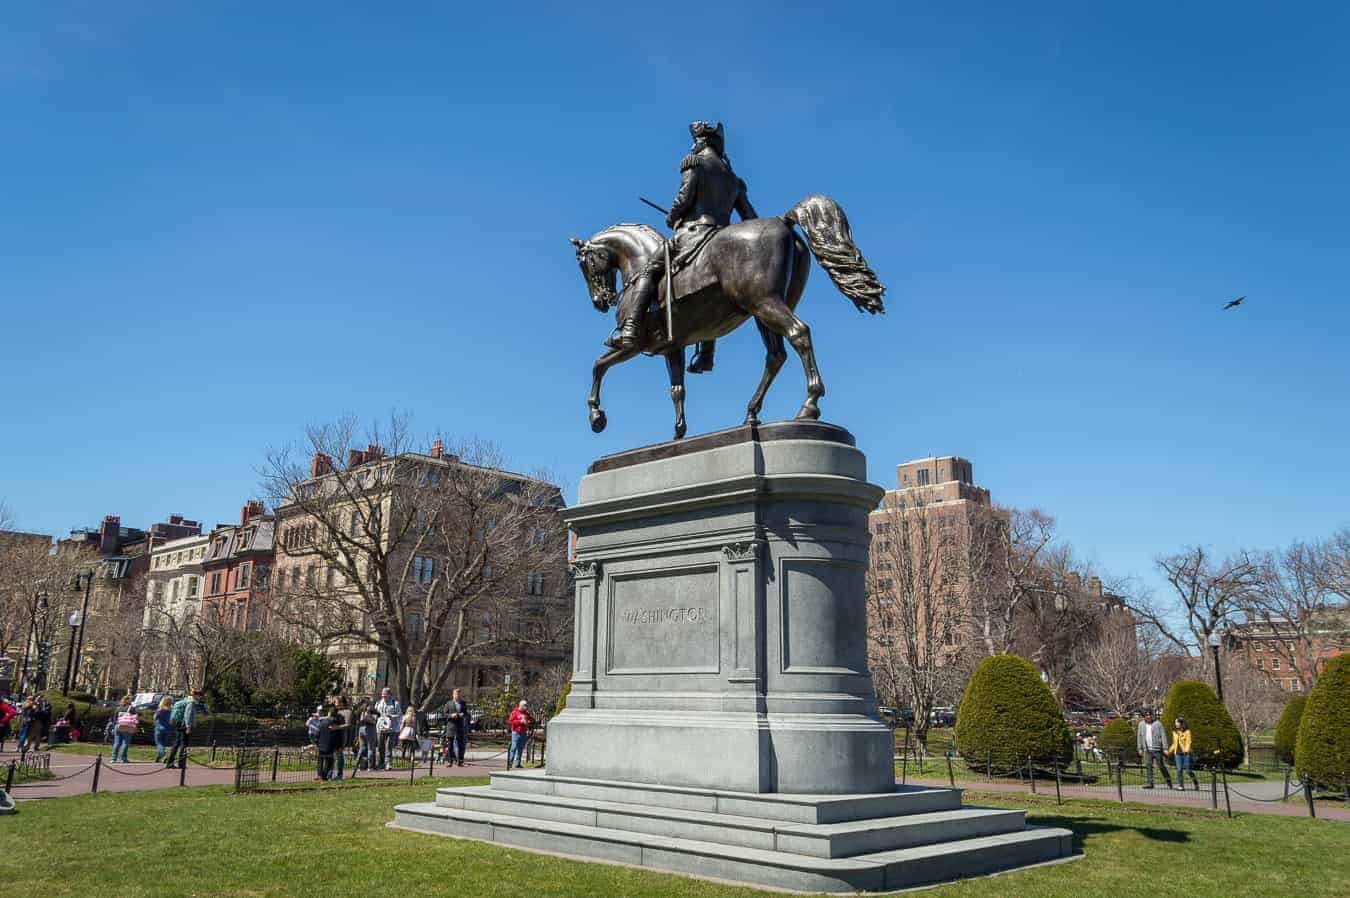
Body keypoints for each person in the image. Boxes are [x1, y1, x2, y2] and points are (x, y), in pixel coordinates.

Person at [609, 120, 756, 373]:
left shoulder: (694, 164)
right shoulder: (734, 179)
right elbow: (750, 217)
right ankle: (706, 354)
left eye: (696, 141)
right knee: (716, 288)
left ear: (702, 142)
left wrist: (672, 216)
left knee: (648, 271)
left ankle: (630, 327)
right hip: (722, 232)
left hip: (693, 233)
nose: (694, 145)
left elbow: (685, 196)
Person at [163, 688, 202, 769]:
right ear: (195, 695)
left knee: (176, 743)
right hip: (184, 725)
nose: (200, 697)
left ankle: (170, 762)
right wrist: (188, 726)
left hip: (178, 724)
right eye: (199, 695)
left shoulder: (185, 700)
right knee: (184, 744)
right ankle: (181, 763)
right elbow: (187, 715)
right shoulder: (191, 703)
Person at [1136, 711, 1173, 789]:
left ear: (1152, 716)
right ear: (1144, 716)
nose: (1148, 716)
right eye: (1146, 715)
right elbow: (1139, 737)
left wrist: (1165, 748)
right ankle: (1150, 783)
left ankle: (1168, 781)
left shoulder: (1158, 724)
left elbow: (1163, 735)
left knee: (1161, 766)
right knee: (1148, 766)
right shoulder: (1141, 724)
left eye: (1150, 715)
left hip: (1157, 749)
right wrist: (1140, 749)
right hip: (1147, 750)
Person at [1167, 716, 1200, 791]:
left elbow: (1188, 742)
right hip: (1177, 753)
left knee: (1188, 770)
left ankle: (1195, 782)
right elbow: (1174, 743)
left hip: (1186, 753)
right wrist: (1169, 751)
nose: (1175, 724)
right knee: (1179, 769)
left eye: (1177, 722)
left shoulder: (1187, 732)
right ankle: (1181, 785)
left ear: (1181, 723)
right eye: (1175, 722)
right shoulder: (1174, 732)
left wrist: (1186, 750)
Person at [374, 687, 402, 771]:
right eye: (383, 695)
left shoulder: (395, 703)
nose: (384, 697)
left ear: (389, 695)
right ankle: (381, 763)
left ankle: (388, 763)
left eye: (385, 695)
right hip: (380, 728)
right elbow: (375, 713)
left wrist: (392, 716)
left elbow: (400, 715)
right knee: (380, 746)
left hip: (391, 729)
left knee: (388, 747)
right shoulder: (378, 703)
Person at [315, 705, 343, 782]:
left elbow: (317, 733)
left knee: (320, 760)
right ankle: (324, 776)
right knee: (329, 761)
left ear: (329, 713)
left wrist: (316, 742)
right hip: (331, 745)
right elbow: (339, 736)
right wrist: (339, 746)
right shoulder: (336, 724)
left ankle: (320, 775)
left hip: (321, 744)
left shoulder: (322, 722)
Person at [506, 700, 534, 770]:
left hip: (523, 733)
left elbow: (532, 720)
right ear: (521, 706)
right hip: (516, 732)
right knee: (514, 747)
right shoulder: (515, 712)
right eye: (525, 706)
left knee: (520, 748)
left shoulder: (526, 713)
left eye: (527, 706)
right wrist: (520, 721)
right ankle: (510, 763)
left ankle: (517, 763)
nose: (526, 707)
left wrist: (529, 721)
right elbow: (511, 721)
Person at [445, 688, 470, 767]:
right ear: (453, 695)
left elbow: (466, 713)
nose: (457, 696)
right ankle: (450, 761)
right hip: (451, 726)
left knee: (460, 745)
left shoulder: (463, 703)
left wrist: (463, 714)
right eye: (456, 694)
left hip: (460, 726)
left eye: (459, 694)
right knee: (450, 745)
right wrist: (451, 715)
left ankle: (460, 761)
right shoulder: (449, 703)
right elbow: (444, 714)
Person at [110, 695, 137, 763]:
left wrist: (114, 726)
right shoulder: (132, 708)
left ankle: (113, 758)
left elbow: (114, 718)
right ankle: (123, 758)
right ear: (129, 700)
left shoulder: (118, 708)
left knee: (116, 743)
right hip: (127, 727)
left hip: (118, 726)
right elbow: (134, 718)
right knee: (125, 743)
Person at [333, 696, 353, 780]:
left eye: (335, 702)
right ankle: (329, 773)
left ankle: (339, 774)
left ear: (341, 703)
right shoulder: (335, 711)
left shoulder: (348, 712)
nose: (334, 703)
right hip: (333, 735)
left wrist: (337, 727)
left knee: (339, 754)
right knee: (333, 754)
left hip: (341, 735)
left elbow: (348, 724)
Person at [355, 702, 378, 771]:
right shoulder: (369, 713)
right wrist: (368, 717)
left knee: (362, 748)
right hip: (369, 730)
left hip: (361, 729)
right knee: (370, 748)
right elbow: (373, 722)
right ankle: (369, 767)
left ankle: (359, 765)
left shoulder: (361, 712)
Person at [152, 696, 174, 763]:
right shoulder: (171, 710)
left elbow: (155, 717)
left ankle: (163, 756)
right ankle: (158, 757)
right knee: (163, 744)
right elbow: (172, 720)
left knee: (159, 743)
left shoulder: (160, 709)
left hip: (159, 728)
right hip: (167, 728)